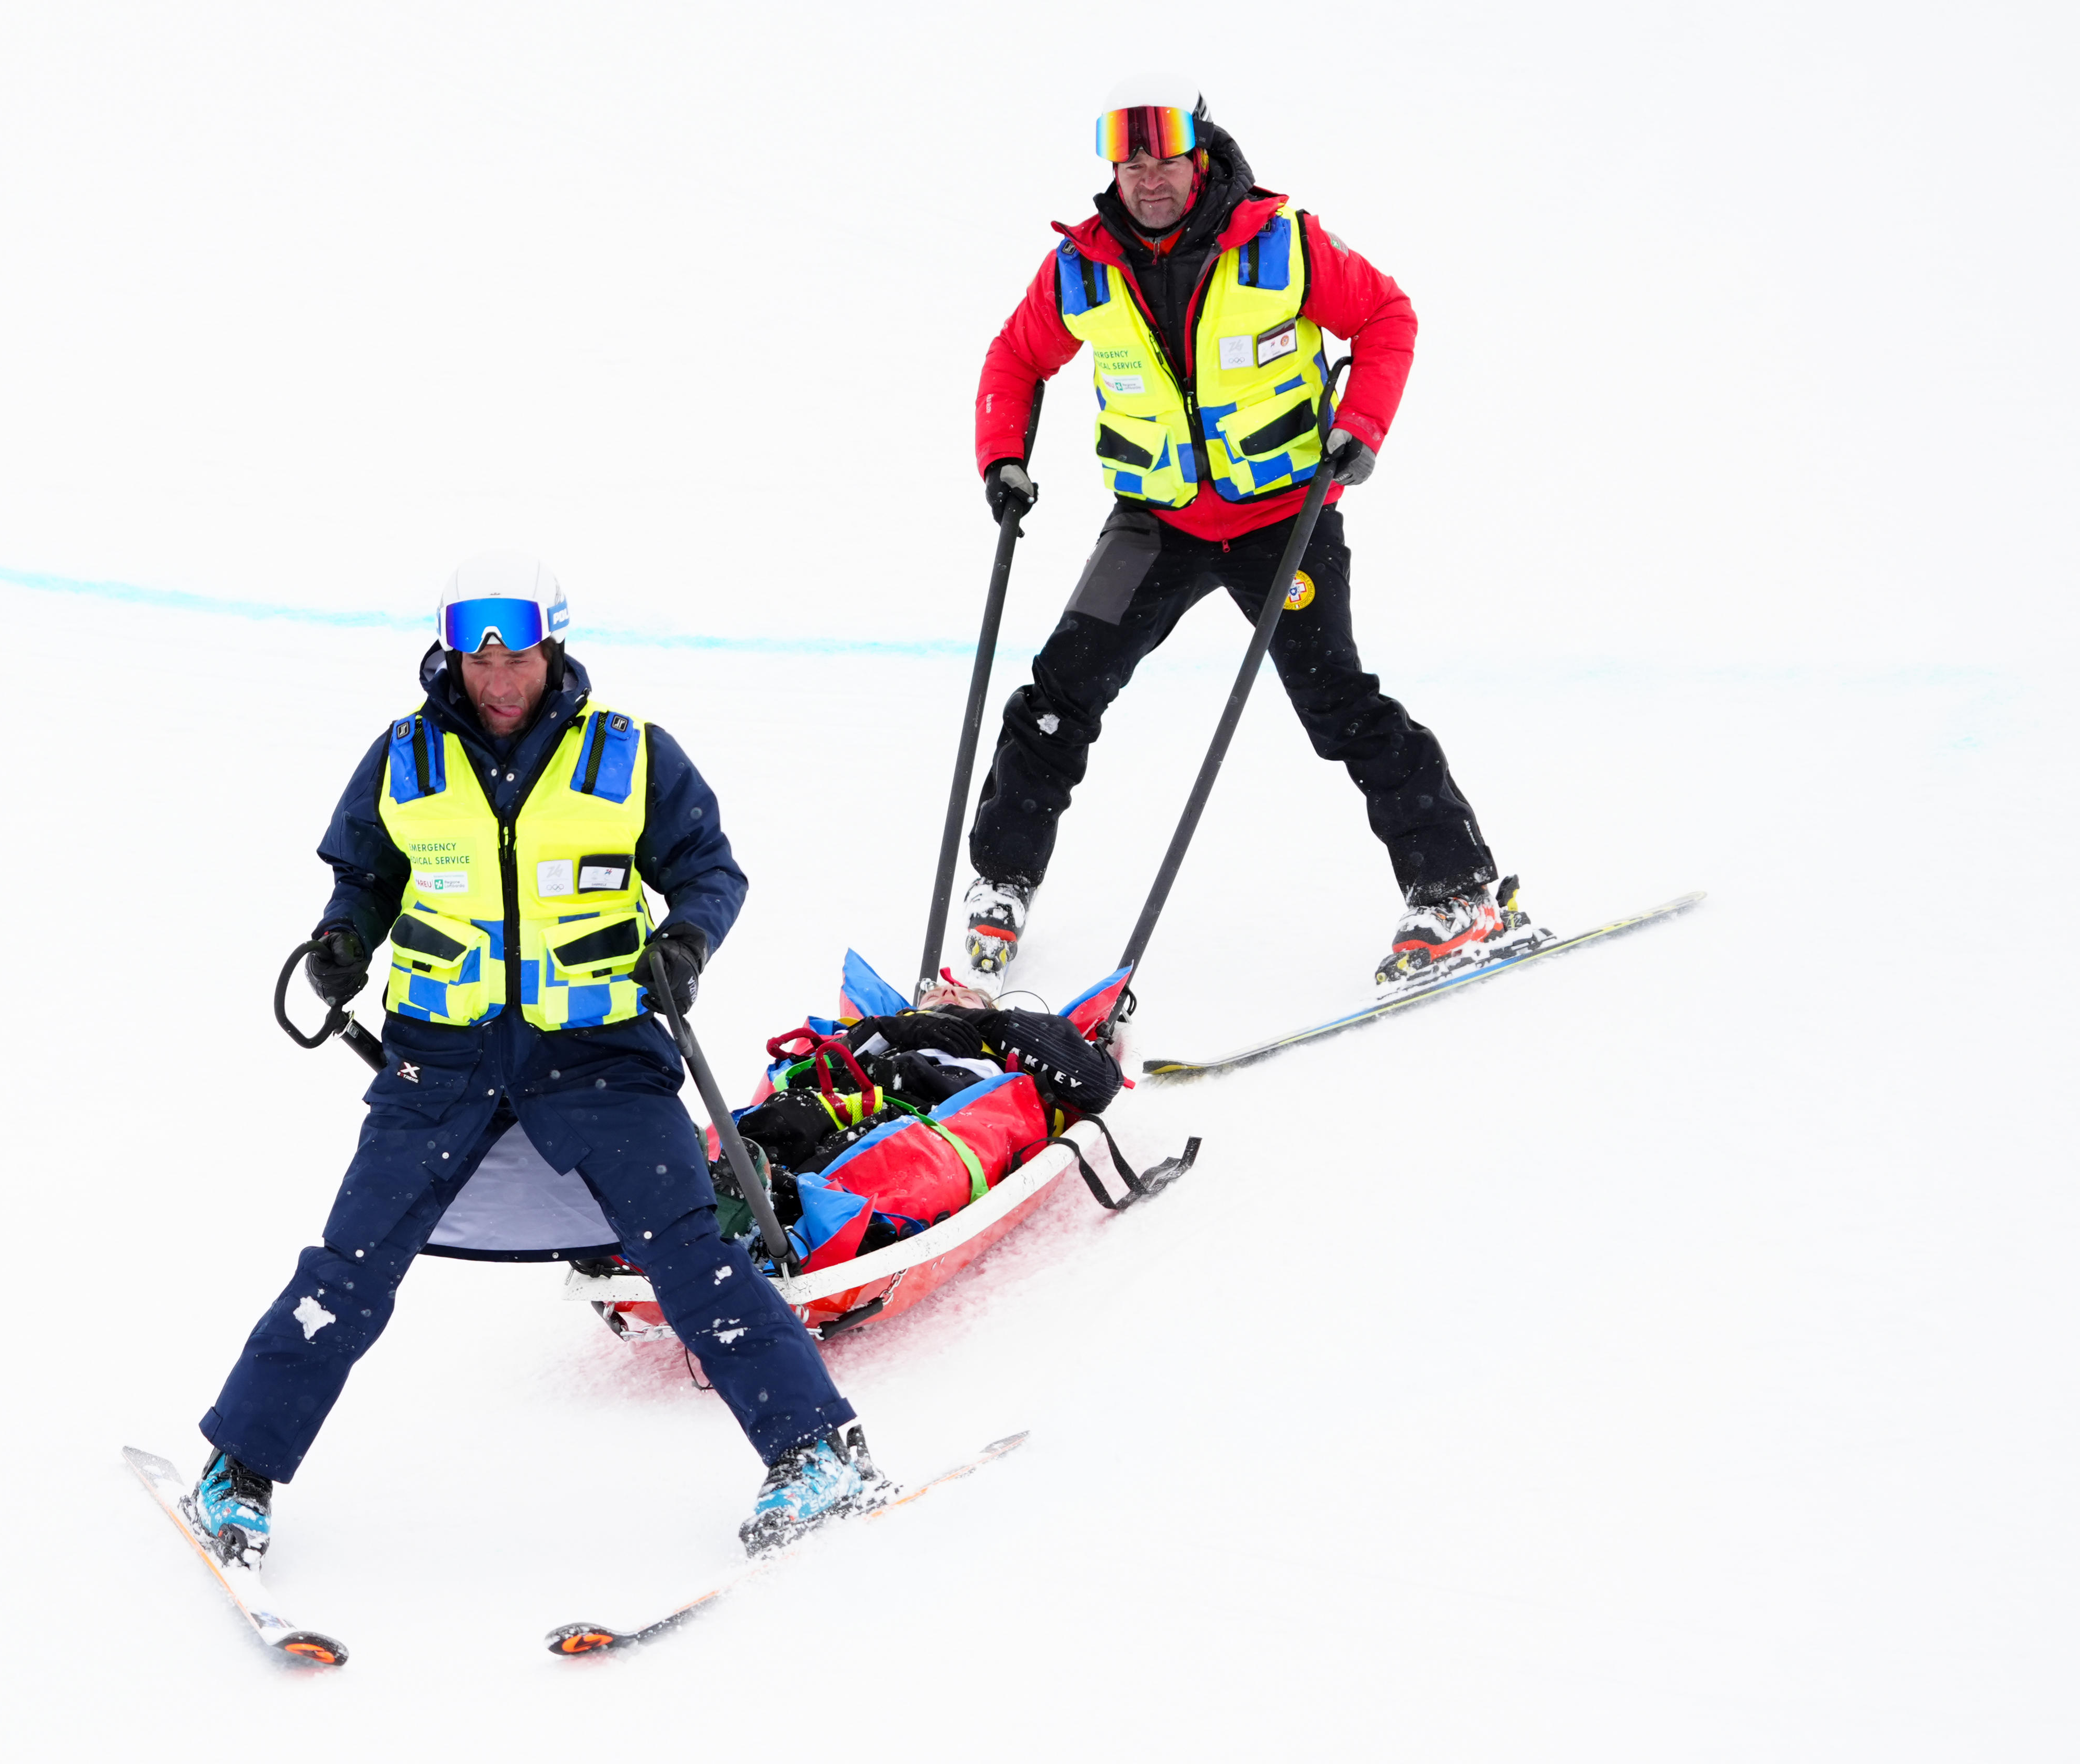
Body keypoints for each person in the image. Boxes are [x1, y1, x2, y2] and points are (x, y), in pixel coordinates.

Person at [188, 553, 876, 1567]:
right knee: (351, 1264)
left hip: (600, 1055)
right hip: (439, 1062)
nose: (499, 681)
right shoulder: (404, 758)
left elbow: (708, 870)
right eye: (479, 661)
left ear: (553, 649)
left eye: (517, 659)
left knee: (692, 1253)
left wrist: (686, 941)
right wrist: (343, 939)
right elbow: (363, 877)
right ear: (451, 659)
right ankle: (238, 1470)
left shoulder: (629, 754)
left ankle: (817, 1450)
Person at [964, 77, 1539, 987]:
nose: (1149, 178)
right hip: (1155, 523)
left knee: (1338, 704)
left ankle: (1458, 891)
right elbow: (1017, 356)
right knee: (1057, 696)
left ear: (1201, 156)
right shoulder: (1080, 267)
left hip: (1283, 519)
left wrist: (1362, 426)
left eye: (1166, 157)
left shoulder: (1281, 242)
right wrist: (1002, 456)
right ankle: (1000, 882)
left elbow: (1386, 316)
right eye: (1130, 162)